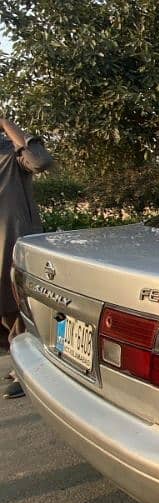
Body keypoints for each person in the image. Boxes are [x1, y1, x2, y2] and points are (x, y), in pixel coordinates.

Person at [0, 117, 53, 398]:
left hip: (14, 240)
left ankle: (26, 367)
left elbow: (40, 162)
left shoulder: (12, 152)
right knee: (5, 307)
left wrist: (5, 123)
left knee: (20, 302)